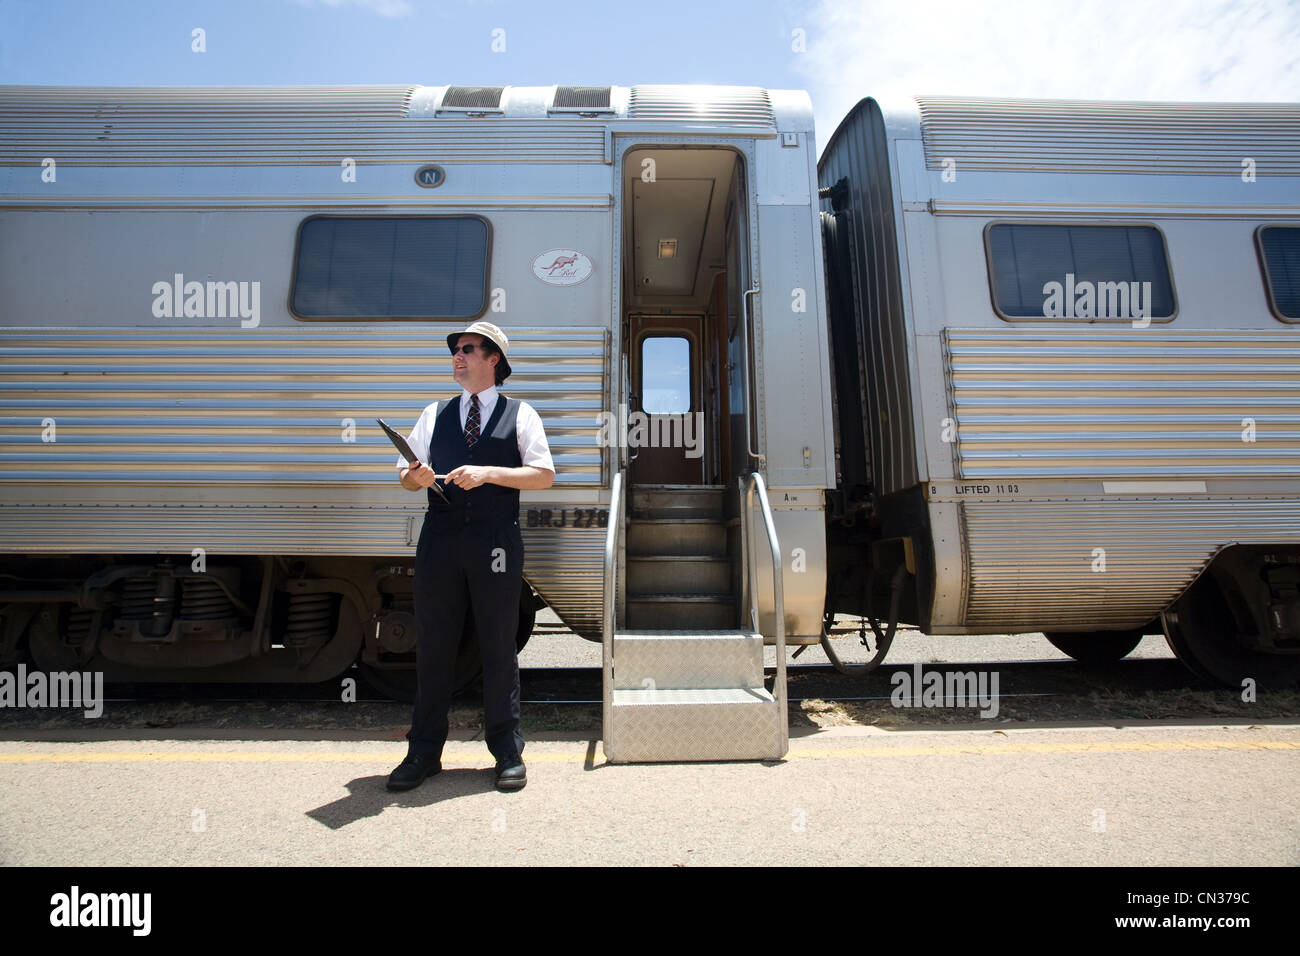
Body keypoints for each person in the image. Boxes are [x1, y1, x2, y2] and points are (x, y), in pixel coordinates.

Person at [387, 321, 554, 792]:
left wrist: (488, 473)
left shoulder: (521, 415)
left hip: (496, 542)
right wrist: (415, 478)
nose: (457, 357)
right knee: (435, 647)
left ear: (493, 359)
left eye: (467, 350)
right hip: (440, 542)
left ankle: (506, 751)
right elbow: (404, 474)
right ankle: (423, 751)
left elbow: (543, 475)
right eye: (455, 351)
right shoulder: (433, 413)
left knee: (499, 647)